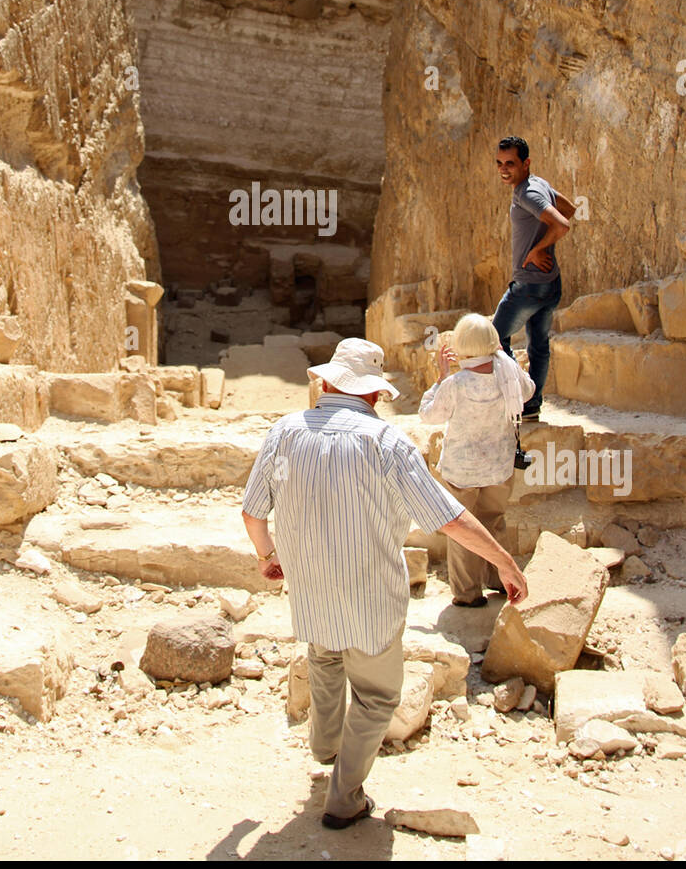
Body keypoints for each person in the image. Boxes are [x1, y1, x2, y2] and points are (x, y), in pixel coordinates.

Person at [241, 337, 528, 830]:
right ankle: (343, 799)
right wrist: (504, 562)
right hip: (370, 593)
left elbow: (251, 512)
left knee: (325, 657)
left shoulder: (285, 432)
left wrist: (269, 556)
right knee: (377, 697)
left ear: (325, 383)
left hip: (310, 588)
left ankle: (326, 747)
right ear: (374, 395)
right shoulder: (387, 443)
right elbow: (450, 520)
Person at [419, 313, 534, 607]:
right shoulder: (507, 376)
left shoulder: (456, 384)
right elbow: (529, 390)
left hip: (462, 471)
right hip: (499, 467)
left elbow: (428, 415)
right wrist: (511, 363)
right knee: (493, 521)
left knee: (463, 531)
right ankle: (499, 579)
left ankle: (468, 594)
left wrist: (440, 379)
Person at [492, 135, 575, 420]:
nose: (504, 169)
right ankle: (531, 406)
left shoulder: (528, 193)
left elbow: (562, 223)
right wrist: (543, 244)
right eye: (500, 163)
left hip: (529, 285)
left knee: (495, 337)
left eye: (511, 164)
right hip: (550, 282)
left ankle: (521, 397)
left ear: (525, 163)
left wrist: (537, 249)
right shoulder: (539, 184)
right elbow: (570, 208)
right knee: (538, 344)